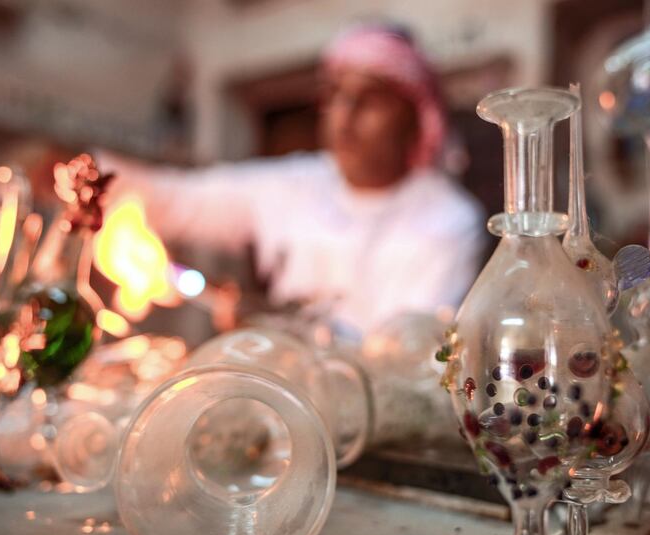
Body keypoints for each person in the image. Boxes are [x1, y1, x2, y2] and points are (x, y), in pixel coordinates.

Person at [97, 24, 485, 336]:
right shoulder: (294, 184)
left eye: (369, 99)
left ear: (415, 117)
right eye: (335, 95)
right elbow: (175, 201)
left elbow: (405, 358)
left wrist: (281, 326)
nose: (344, 116)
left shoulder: (448, 219)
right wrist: (89, 173)